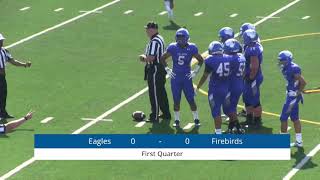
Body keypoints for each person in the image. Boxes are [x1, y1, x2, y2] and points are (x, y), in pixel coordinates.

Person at [160, 28, 203, 128]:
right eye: (178, 38)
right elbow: (162, 58)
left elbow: (200, 60)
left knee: (191, 99)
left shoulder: (192, 48)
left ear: (187, 38)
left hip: (187, 77)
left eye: (182, 38)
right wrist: (167, 69)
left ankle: (196, 118)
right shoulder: (173, 47)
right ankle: (177, 120)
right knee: (176, 100)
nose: (180, 40)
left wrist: (195, 71)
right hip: (175, 78)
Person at [196, 41, 233, 134]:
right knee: (228, 109)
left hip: (215, 89)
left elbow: (205, 75)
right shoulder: (228, 58)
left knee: (216, 112)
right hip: (227, 88)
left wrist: (198, 87)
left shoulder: (210, 59)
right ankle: (234, 126)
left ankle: (218, 132)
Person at [139, 22, 171, 123]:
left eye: (148, 29)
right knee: (161, 92)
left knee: (155, 93)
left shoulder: (154, 41)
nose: (146, 31)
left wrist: (143, 58)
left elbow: (151, 57)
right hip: (160, 68)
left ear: (153, 29)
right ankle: (166, 114)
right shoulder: (159, 38)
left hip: (155, 69)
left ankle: (155, 116)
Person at [278, 50, 306, 147]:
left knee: (283, 118)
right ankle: (299, 141)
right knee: (295, 118)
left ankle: (282, 143)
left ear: (288, 60)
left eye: (283, 61)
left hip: (292, 98)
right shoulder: (286, 68)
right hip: (291, 95)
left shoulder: (293, 69)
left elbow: (303, 82)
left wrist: (297, 92)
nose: (281, 62)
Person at [0, 33, 32, 119]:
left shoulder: (4, 51)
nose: (1, 42)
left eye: (2, 40)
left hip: (2, 78)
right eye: (0, 41)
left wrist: (24, 65)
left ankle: (2, 113)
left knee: (3, 94)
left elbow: (13, 61)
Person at [223, 39, 245, 133]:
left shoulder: (228, 59)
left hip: (231, 85)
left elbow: (225, 73)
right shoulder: (242, 57)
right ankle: (231, 126)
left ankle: (238, 126)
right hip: (239, 84)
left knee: (227, 109)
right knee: (233, 106)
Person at [242, 29, 263, 128]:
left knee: (254, 99)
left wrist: (250, 77)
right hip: (251, 76)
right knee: (246, 98)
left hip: (253, 77)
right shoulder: (252, 46)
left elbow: (254, 66)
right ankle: (249, 117)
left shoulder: (253, 49)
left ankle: (257, 120)